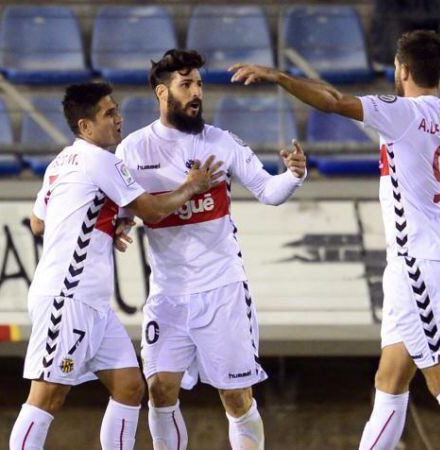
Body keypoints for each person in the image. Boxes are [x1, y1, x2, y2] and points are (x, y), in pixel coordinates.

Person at [229, 30, 440, 450]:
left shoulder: (400, 113)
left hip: (418, 264)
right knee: (389, 382)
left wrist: (278, 76)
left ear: (403, 70)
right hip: (424, 260)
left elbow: (334, 100)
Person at [9, 82, 224, 450]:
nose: (119, 119)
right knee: (46, 396)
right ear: (85, 126)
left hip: (92, 303)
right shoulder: (100, 160)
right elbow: (154, 210)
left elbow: (38, 222)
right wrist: (192, 185)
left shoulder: (61, 161)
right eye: (109, 114)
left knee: (129, 386)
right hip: (67, 296)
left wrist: (102, 224)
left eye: (116, 110)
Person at [115, 49, 307, 450]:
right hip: (167, 294)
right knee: (160, 391)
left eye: (199, 84)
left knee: (236, 397)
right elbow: (120, 208)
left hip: (221, 290)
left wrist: (292, 176)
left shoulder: (222, 142)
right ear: (161, 93)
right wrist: (119, 224)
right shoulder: (133, 151)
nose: (197, 92)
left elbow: (268, 191)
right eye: (186, 85)